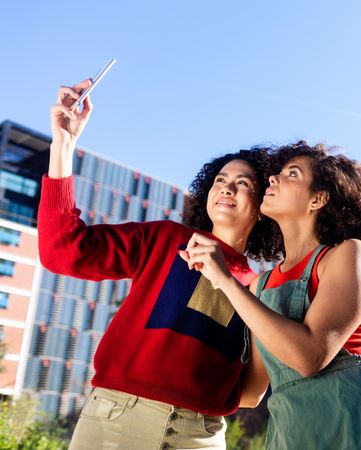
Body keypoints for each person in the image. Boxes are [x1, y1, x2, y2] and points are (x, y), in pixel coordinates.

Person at [39, 79, 281, 449]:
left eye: (243, 183)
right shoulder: (165, 239)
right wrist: (63, 145)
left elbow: (250, 394)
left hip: (201, 436)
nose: (227, 188)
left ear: (263, 206)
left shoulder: (262, 288)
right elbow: (62, 251)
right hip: (115, 422)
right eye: (220, 179)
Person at [180, 142, 361, 449]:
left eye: (291, 174)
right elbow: (251, 390)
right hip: (293, 433)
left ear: (318, 198)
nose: (273, 179)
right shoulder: (261, 286)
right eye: (278, 173)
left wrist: (225, 281)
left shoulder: (349, 254)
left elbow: (310, 356)